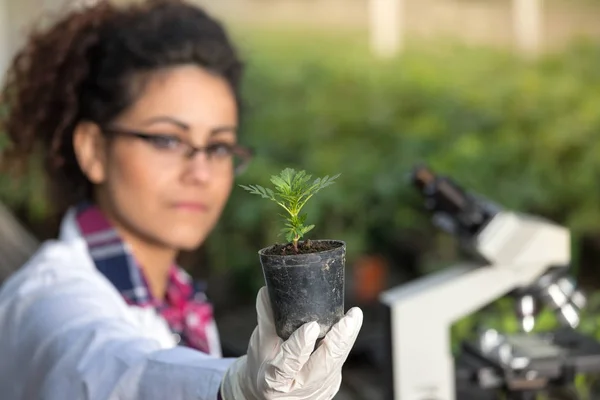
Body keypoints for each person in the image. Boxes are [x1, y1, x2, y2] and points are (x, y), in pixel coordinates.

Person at [0, 1, 363, 399]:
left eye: (219, 146)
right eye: (168, 140)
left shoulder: (182, 299)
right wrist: (232, 387)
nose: (201, 172)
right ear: (93, 150)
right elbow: (120, 371)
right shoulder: (47, 302)